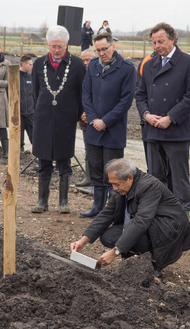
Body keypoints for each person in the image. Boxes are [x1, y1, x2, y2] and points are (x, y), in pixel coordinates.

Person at [71, 158, 190, 278]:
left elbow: (141, 221)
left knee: (131, 226)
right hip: (151, 225)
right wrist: (83, 241)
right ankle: (139, 256)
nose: (114, 188)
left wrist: (115, 252)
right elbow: (107, 213)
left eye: (116, 184)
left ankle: (154, 262)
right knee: (108, 237)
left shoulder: (149, 186)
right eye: (112, 184)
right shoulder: (121, 188)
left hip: (170, 229)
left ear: (130, 178)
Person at [136, 22, 190, 218]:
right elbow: (140, 95)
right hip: (153, 130)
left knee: (179, 178)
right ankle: (159, 217)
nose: (157, 46)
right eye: (153, 42)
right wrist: (146, 115)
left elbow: (189, 97)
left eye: (161, 41)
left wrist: (171, 118)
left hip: (176, 131)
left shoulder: (186, 62)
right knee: (156, 177)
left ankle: (182, 219)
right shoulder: (149, 64)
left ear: (172, 40)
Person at [79, 32, 136, 218]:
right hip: (94, 128)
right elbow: (86, 93)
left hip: (113, 129)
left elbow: (126, 100)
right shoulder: (93, 65)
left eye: (105, 49)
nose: (102, 53)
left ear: (113, 46)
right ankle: (97, 206)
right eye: (98, 50)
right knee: (95, 167)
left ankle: (114, 212)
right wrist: (95, 119)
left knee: (114, 171)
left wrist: (106, 121)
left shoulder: (127, 68)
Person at [31, 25, 85, 214]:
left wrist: (77, 115)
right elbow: (36, 93)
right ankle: (42, 201)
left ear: (66, 45)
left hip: (66, 121)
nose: (56, 50)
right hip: (44, 120)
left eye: (59, 46)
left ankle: (63, 202)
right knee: (43, 161)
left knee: (64, 161)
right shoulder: (39, 64)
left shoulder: (77, 65)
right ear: (48, 44)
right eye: (53, 46)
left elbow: (81, 94)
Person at [76, 48, 96, 187]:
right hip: (84, 118)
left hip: (99, 118)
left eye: (88, 59)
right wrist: (81, 114)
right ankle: (89, 177)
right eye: (83, 60)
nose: (85, 63)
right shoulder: (79, 74)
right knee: (88, 149)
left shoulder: (99, 73)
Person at [20, 54, 34, 151]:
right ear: (24, 65)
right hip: (19, 113)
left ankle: (38, 156)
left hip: (30, 113)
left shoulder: (31, 78)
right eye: (30, 64)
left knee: (34, 137)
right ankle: (19, 155)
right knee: (19, 138)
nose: (32, 66)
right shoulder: (15, 76)